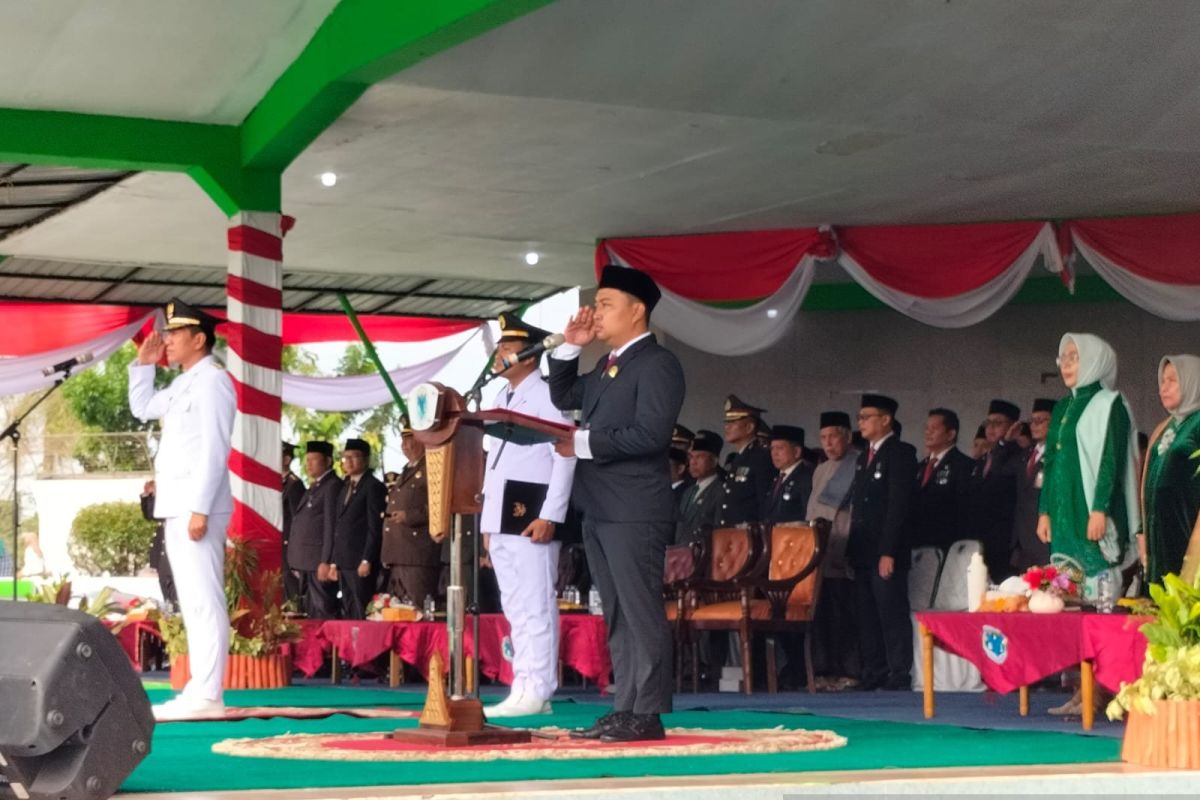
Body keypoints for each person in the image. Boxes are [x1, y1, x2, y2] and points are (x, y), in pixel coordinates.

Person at [549, 264, 684, 743]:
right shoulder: (610, 365)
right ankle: (624, 705)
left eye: (606, 304)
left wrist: (583, 443)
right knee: (617, 612)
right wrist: (571, 347)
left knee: (640, 610)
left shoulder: (657, 363)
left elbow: (651, 435)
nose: (596, 312)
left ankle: (648, 712)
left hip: (634, 508)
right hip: (600, 507)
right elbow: (565, 394)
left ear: (637, 310)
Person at [128, 298, 235, 720]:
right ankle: (199, 688)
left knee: (205, 598)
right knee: (190, 600)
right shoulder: (183, 384)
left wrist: (200, 508)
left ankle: (209, 694)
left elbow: (215, 449)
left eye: (175, 334)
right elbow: (142, 408)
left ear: (199, 339)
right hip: (176, 506)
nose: (168, 340)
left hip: (197, 507)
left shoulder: (214, 381)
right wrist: (143, 365)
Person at [481, 312, 577, 718]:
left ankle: (539, 687)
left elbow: (565, 455)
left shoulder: (549, 394)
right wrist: (487, 522)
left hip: (532, 511)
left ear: (530, 356)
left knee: (536, 603)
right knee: (514, 606)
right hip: (501, 513)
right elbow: (494, 463)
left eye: (508, 347)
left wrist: (551, 515)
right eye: (499, 347)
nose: (499, 354)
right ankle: (522, 684)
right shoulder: (499, 397)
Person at [1038, 333, 1140, 596]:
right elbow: (1051, 462)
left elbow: (1111, 461)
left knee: (1097, 586)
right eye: (1063, 358)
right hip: (1063, 512)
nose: (1066, 365)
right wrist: (1044, 511)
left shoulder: (1110, 404)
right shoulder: (1062, 407)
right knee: (1064, 589)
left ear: (1095, 360)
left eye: (1074, 357)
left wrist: (1099, 510)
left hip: (1091, 509)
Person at [847, 394, 916, 691]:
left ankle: (899, 672)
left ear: (886, 420)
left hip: (885, 550)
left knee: (891, 612)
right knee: (867, 614)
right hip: (863, 549)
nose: (861, 422)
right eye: (860, 417)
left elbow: (897, 507)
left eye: (867, 417)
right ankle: (873, 671)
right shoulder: (864, 456)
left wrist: (888, 551)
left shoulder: (900, 453)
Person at [807, 411, 860, 686]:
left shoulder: (858, 463)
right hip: (820, 551)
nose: (828, 443)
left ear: (847, 437)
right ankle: (825, 671)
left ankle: (849, 672)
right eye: (823, 437)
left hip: (844, 547)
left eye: (833, 436)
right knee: (823, 614)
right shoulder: (820, 469)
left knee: (844, 615)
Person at [1141, 355, 1200, 586]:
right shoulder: (1167, 426)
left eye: (1173, 380)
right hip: (1159, 537)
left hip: (1187, 532)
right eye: (1162, 381)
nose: (1163, 388)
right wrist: (1142, 530)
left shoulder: (1197, 423)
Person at [381, 424, 441, 607]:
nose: (405, 446)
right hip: (398, 552)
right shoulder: (406, 470)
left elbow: (439, 505)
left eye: (409, 440)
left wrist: (409, 516)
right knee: (397, 608)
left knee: (416, 606)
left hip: (417, 552)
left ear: (422, 441)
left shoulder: (432, 467)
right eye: (403, 441)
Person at [993, 398, 1056, 573]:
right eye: (1032, 420)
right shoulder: (1027, 453)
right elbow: (999, 469)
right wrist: (1006, 441)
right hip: (1022, 540)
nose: (1034, 425)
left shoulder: (1058, 454)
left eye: (1040, 420)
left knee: (1046, 587)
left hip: (1044, 537)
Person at [329, 438, 385, 620]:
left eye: (354, 457)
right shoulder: (345, 486)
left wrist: (367, 559)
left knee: (362, 608)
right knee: (347, 608)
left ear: (366, 460)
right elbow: (338, 526)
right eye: (346, 457)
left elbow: (374, 527)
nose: (348, 461)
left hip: (360, 561)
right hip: (344, 561)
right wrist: (334, 562)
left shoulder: (373, 486)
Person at [288, 441, 342, 619]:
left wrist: (326, 560)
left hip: (317, 561)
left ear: (328, 461)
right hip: (306, 562)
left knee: (322, 610)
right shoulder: (316, 486)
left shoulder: (332, 485)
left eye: (313, 460)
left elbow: (330, 526)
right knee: (308, 612)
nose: (308, 464)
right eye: (307, 460)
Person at [909, 409, 973, 552]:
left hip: (946, 544)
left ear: (950, 434)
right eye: (927, 428)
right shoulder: (920, 466)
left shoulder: (963, 465)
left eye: (934, 429)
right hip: (917, 543)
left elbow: (963, 510)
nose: (928, 433)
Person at [717, 395, 774, 526]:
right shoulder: (739, 457)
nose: (727, 427)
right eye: (727, 422)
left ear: (749, 427)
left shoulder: (761, 457)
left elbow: (763, 502)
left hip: (748, 532)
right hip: (732, 532)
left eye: (733, 423)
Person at [675, 430, 724, 548]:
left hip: (704, 555)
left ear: (714, 461)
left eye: (699, 457)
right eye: (691, 457)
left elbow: (719, 532)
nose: (693, 462)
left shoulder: (721, 491)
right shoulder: (688, 492)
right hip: (681, 553)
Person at [763, 425, 813, 526]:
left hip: (793, 534)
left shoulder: (805, 477)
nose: (774, 453)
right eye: (772, 448)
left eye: (780, 448)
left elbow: (807, 516)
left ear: (796, 451)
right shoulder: (777, 478)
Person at [140, 480, 178, 608]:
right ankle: (172, 612)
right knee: (165, 583)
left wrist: (161, 495)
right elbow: (151, 515)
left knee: (175, 587)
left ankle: (177, 613)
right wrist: (150, 495)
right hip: (163, 547)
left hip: (176, 546)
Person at [281, 442, 306, 604]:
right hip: (278, 546)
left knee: (292, 594)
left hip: (288, 548)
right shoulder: (276, 482)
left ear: (286, 459)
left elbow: (297, 521)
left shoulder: (294, 484)